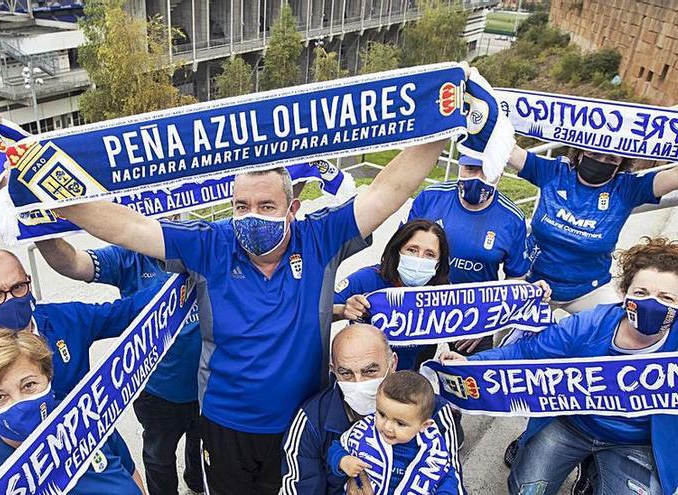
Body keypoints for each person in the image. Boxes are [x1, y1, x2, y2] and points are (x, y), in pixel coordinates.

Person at [44, 133, 448, 493]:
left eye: (266, 205)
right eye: (241, 206)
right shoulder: (210, 243)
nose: (252, 215)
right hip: (224, 423)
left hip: (299, 423)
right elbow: (128, 229)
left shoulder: (319, 236)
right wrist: (42, 177)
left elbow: (387, 190)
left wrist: (447, 119)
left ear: (292, 208)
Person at [440, 236, 678, 495]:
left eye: (666, 298)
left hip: (634, 442)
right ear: (624, 293)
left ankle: (592, 474)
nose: (651, 304)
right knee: (527, 490)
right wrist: (471, 364)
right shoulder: (589, 325)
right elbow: (528, 352)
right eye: (641, 293)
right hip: (572, 424)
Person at [0, 249, 155, 475]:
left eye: (18, 287)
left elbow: (125, 312)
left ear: (28, 281)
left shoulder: (66, 319)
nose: (10, 300)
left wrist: (186, 272)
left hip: (89, 451)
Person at [35, 237, 203, 495]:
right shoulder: (128, 257)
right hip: (158, 392)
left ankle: (195, 484)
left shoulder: (200, 244)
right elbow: (73, 262)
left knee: (200, 442)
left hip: (208, 382)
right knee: (160, 457)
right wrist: (42, 229)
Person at [0, 329, 144, 494]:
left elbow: (129, 471)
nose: (20, 404)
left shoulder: (86, 414)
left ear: (48, 377)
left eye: (29, 385)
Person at [280, 324, 463, 495]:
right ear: (333, 371)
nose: (359, 382)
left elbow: (450, 478)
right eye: (346, 373)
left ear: (392, 364)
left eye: (369, 371)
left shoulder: (434, 410)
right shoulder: (311, 420)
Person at [509, 145, 678, 314]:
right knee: (503, 336)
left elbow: (674, 176)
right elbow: (511, 150)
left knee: (618, 328)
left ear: (621, 164)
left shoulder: (626, 188)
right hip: (532, 282)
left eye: (612, 159)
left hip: (588, 290)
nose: (601, 161)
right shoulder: (554, 172)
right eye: (594, 154)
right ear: (580, 153)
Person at [407, 154, 531, 355]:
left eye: (487, 171)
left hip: (475, 316)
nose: (478, 178)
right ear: (459, 166)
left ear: (500, 172)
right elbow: (400, 250)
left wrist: (488, 322)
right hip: (422, 307)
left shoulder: (512, 218)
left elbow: (516, 279)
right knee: (407, 378)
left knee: (471, 382)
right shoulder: (431, 198)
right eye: (471, 169)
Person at [332, 219, 450, 371]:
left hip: (407, 380)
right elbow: (316, 312)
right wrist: (342, 310)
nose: (419, 259)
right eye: (412, 250)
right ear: (398, 250)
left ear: (438, 263)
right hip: (361, 375)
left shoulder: (443, 292)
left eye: (430, 254)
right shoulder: (366, 279)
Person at [326, 370, 461, 494]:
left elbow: (447, 475)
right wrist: (342, 460)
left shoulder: (432, 448)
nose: (388, 427)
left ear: (424, 425)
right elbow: (337, 447)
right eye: (382, 414)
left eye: (400, 423)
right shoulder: (364, 431)